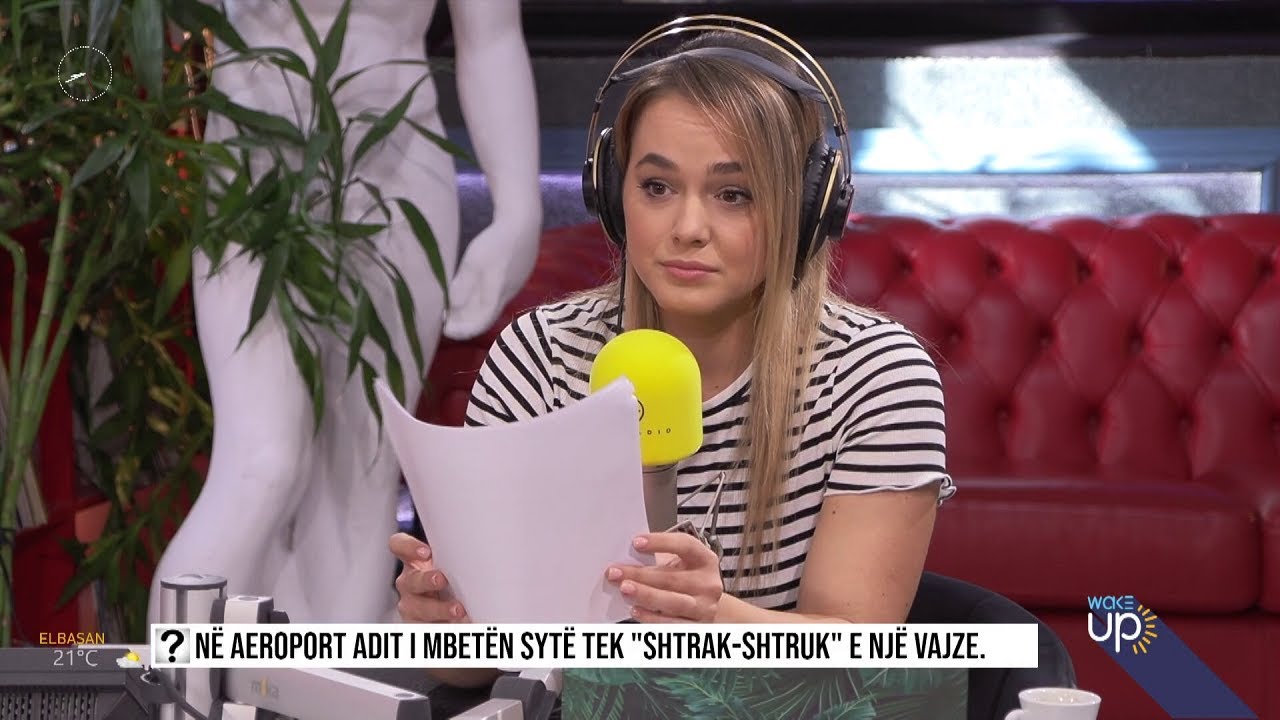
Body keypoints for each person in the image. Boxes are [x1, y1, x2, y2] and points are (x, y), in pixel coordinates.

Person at [388, 15, 956, 699]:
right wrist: (444, 623)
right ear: (612, 193)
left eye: (734, 194)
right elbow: (471, 668)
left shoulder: (877, 377)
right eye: (657, 187)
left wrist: (715, 620)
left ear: (808, 210)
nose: (687, 229)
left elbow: (858, 668)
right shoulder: (541, 356)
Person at [151, 0, 541, 625]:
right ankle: (173, 679)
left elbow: (491, 36)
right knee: (262, 463)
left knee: (362, 473)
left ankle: (329, 680)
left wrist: (519, 209)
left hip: (398, 173)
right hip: (256, 177)